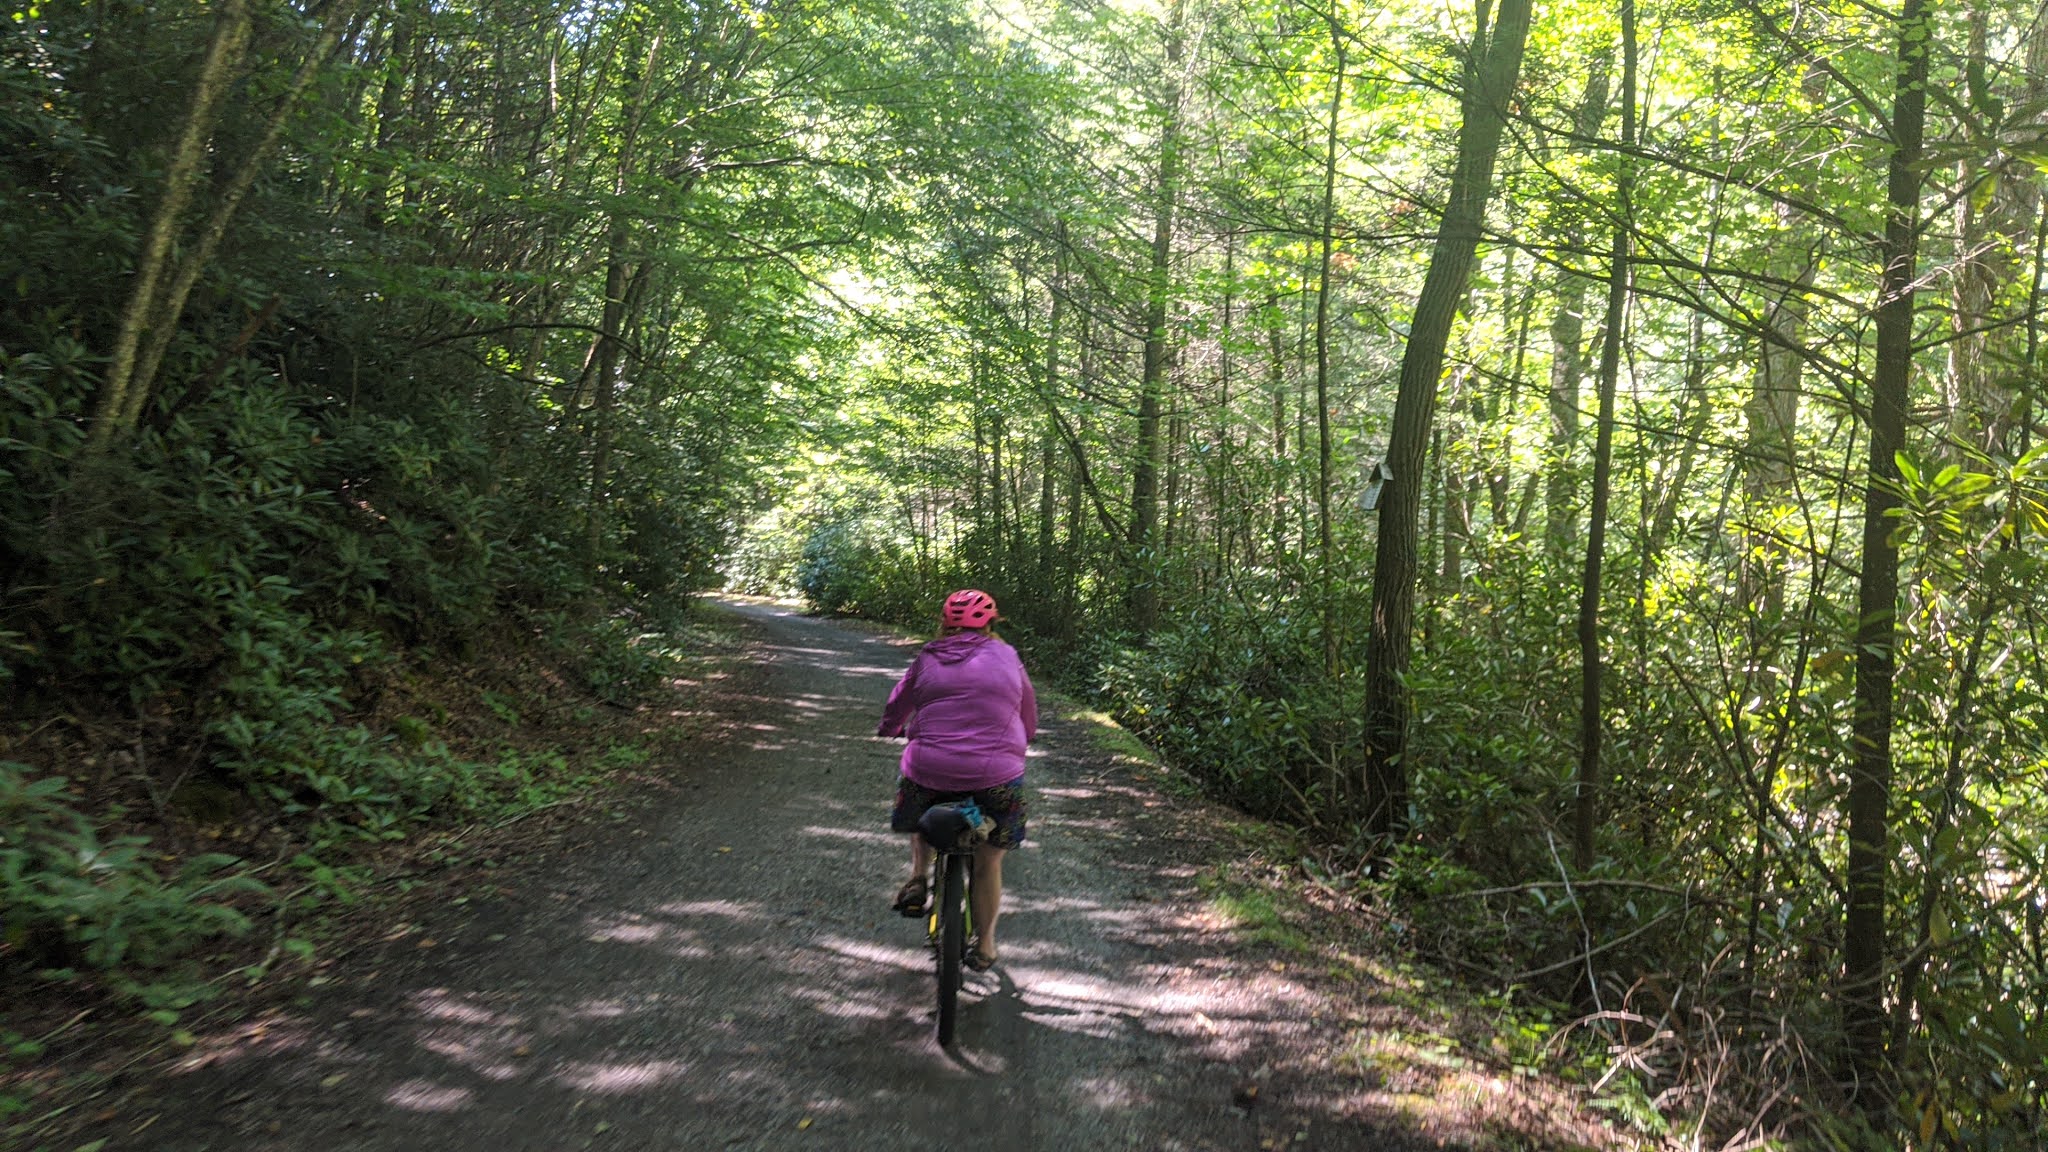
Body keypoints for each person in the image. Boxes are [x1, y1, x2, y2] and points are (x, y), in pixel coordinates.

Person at [876, 588, 1036, 972]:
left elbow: (898, 703)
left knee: (920, 803)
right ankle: (986, 946)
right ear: (991, 623)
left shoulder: (927, 657)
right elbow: (1028, 713)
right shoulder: (1008, 657)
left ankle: (918, 878)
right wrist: (1023, 740)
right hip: (996, 776)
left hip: (930, 770)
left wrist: (891, 728)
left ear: (944, 624)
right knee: (989, 861)